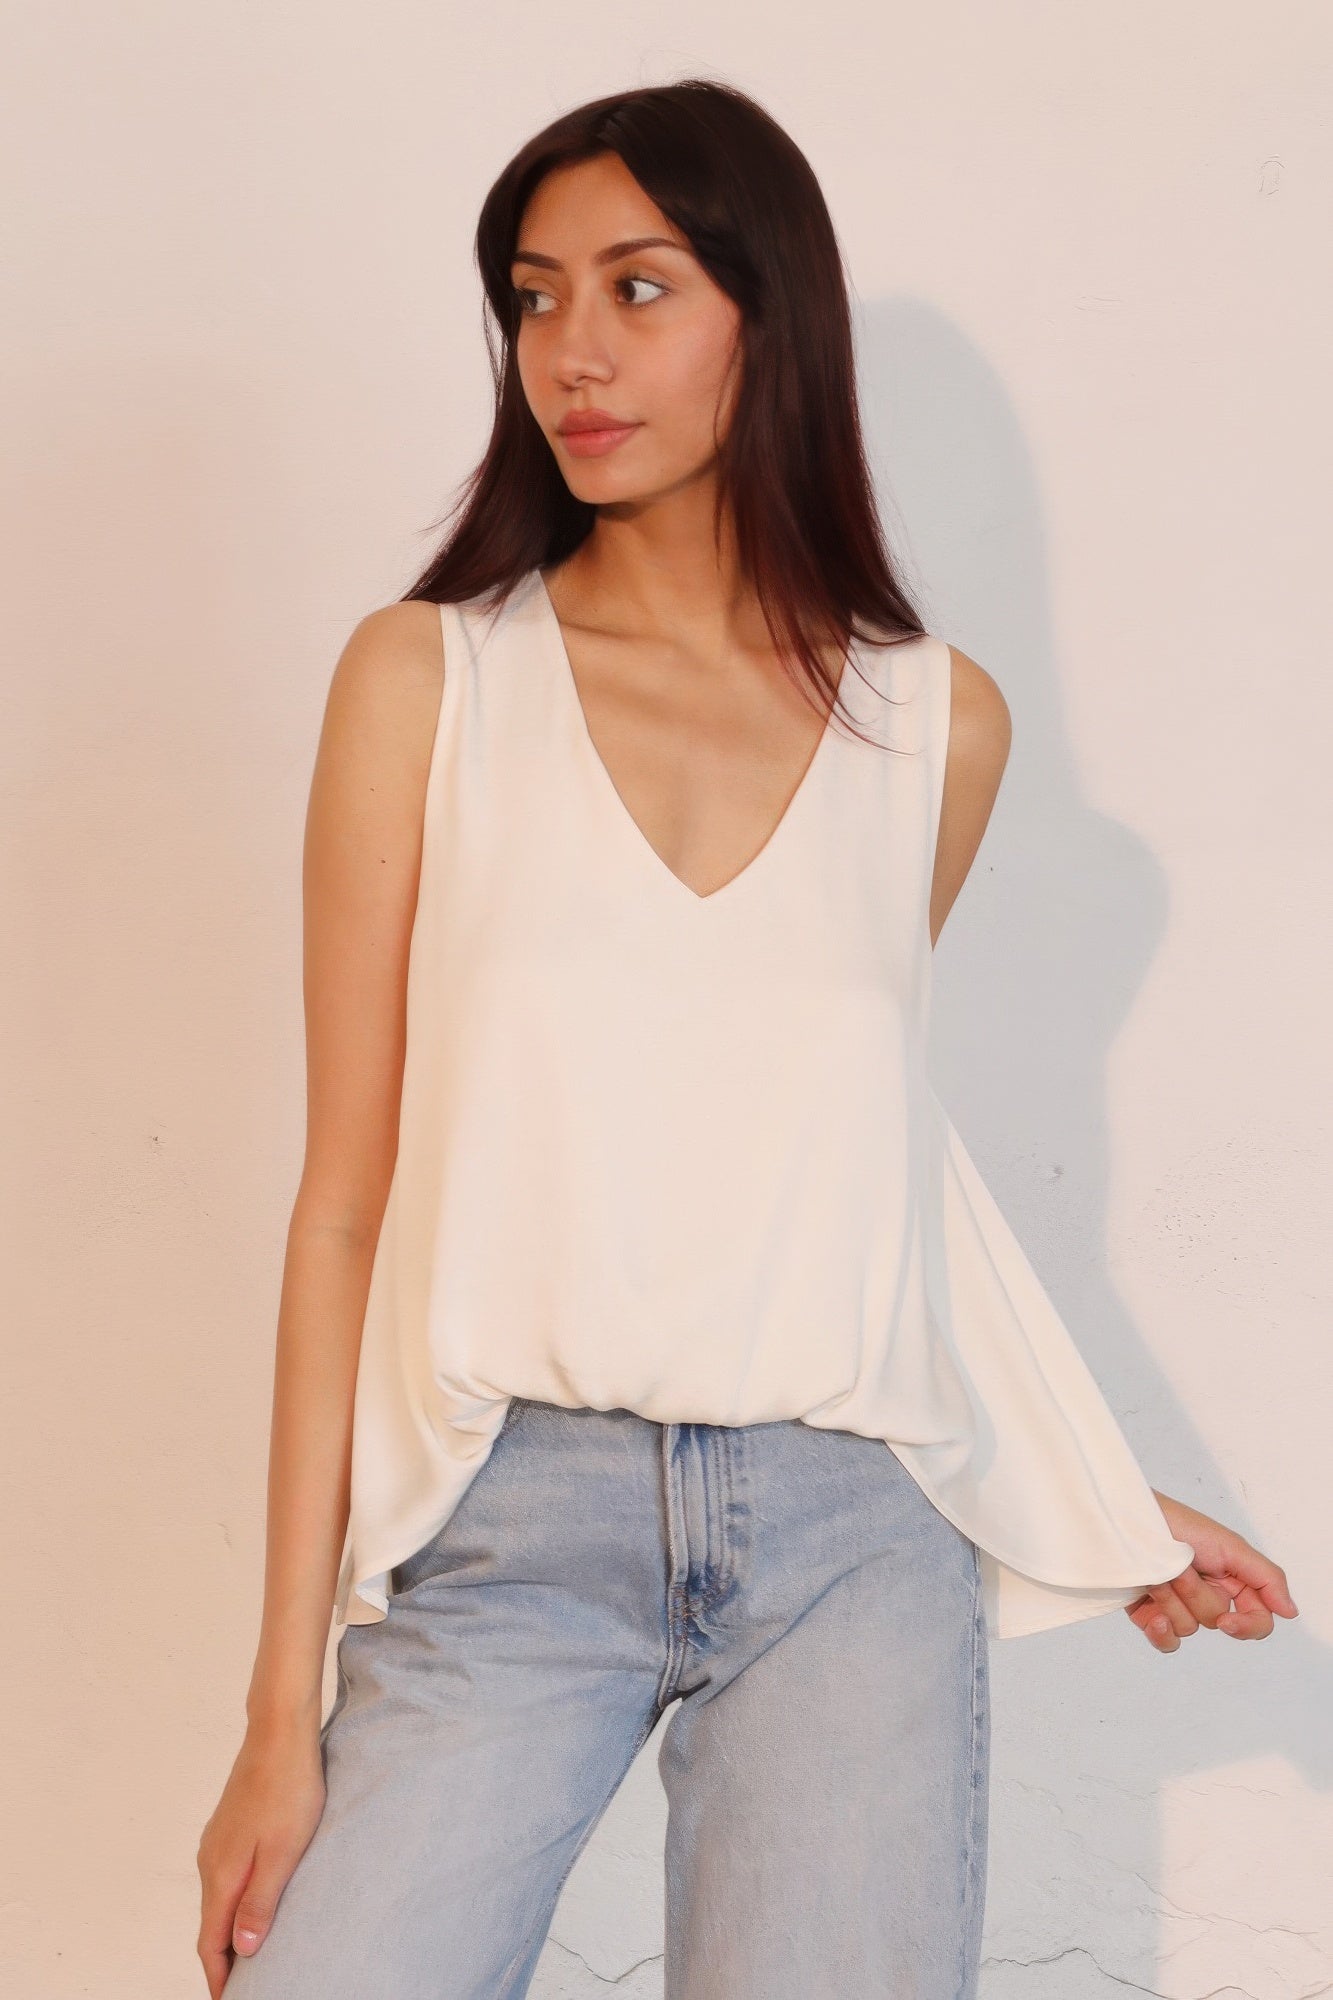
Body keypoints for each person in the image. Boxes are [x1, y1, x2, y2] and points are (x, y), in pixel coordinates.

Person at [195, 77, 1298, 2000]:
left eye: (637, 288)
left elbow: (851, 1163)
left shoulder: (932, 727)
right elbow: (343, 1207)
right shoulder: (428, 680)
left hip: (851, 1543)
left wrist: (1079, 1493)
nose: (571, 353)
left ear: (765, 318)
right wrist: (274, 1714)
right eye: (534, 297)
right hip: (509, 1525)